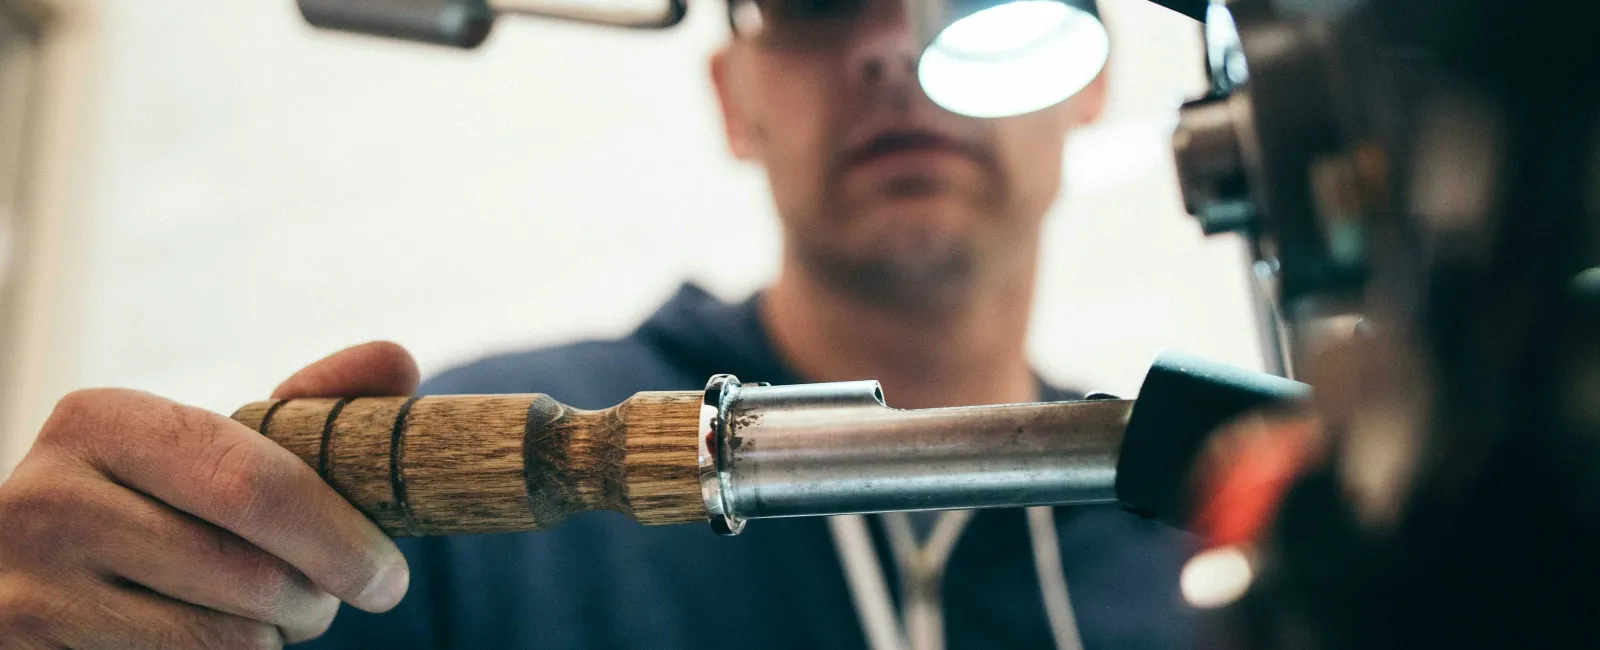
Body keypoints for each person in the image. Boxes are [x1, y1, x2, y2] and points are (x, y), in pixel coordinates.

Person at [0, 0, 1197, 647]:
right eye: (819, 3)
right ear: (734, 99)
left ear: (1087, 78)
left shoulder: (1214, 533)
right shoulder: (458, 500)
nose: (895, 43)